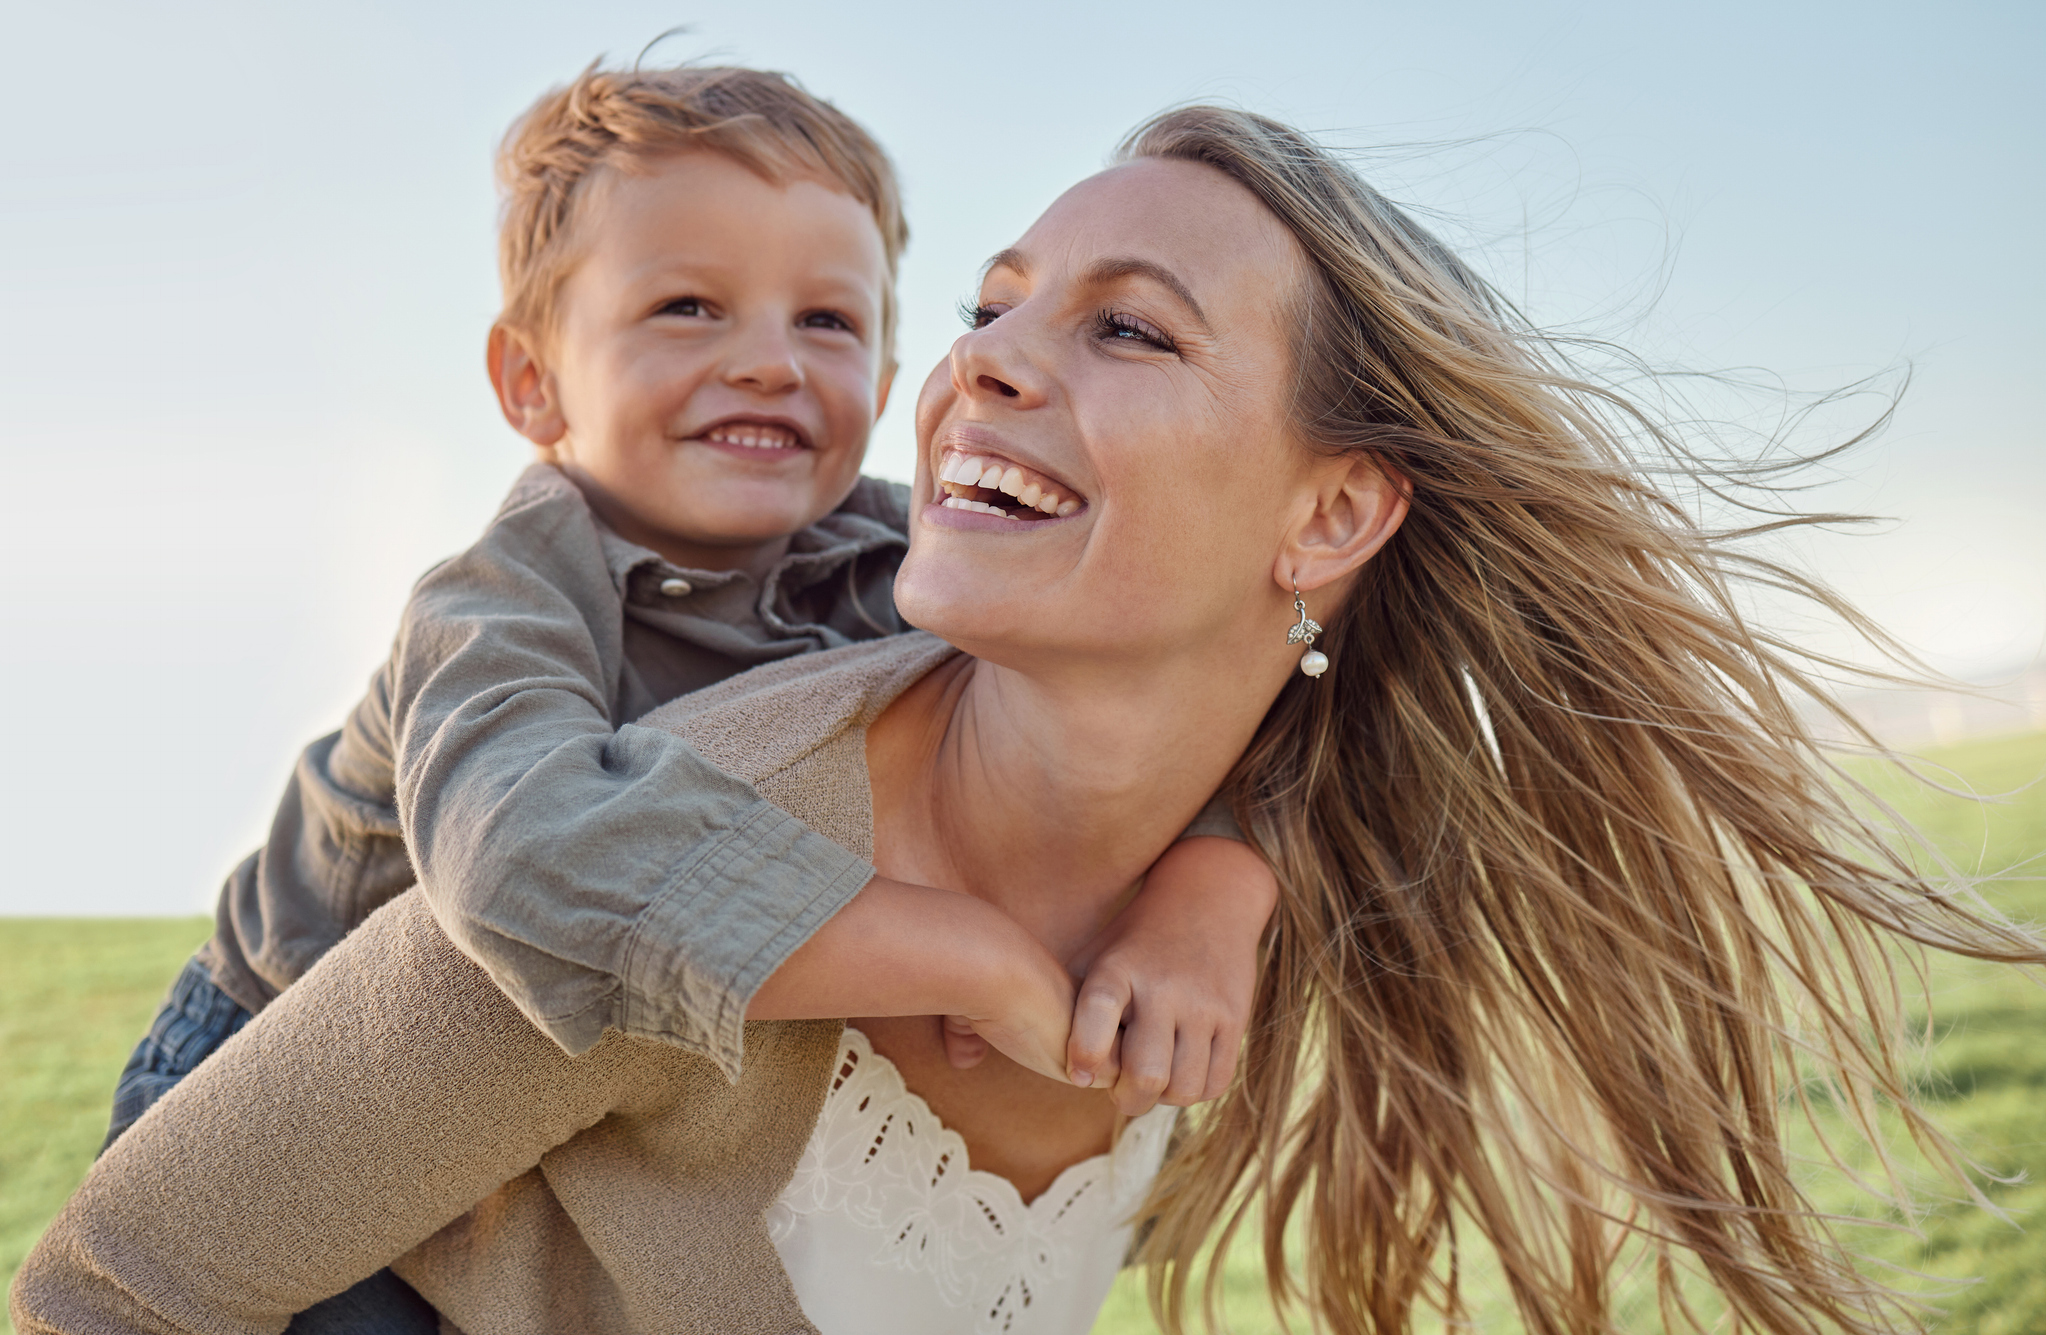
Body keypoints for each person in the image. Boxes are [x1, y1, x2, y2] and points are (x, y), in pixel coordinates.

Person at [18, 104, 2041, 1335]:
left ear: (1332, 514)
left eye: (1122, 325)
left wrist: (1228, 882)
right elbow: (117, 1284)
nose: (977, 364)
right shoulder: (636, 831)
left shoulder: (1269, 858)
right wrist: (959, 951)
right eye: (993, 300)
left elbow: (1310, 731)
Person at [86, 62, 1275, 1332]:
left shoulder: (910, 569)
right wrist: (967, 956)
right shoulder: (502, 600)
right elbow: (525, 858)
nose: (766, 362)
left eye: (824, 323)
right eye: (690, 307)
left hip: (565, 1100)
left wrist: (1214, 891)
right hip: (290, 1075)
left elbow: (1154, 713)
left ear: (879, 385)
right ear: (531, 381)